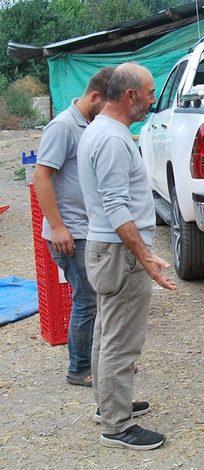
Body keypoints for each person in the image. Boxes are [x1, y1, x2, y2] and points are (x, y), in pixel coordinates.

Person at [77, 63, 177, 450]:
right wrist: (146, 258)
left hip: (106, 249)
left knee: (106, 332)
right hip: (118, 252)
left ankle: (109, 407)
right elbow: (117, 208)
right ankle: (117, 426)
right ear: (131, 94)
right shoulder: (114, 140)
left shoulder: (101, 130)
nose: (153, 100)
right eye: (150, 92)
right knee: (121, 340)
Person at [33, 67, 114, 387]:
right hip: (70, 233)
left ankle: (100, 362)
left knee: (97, 299)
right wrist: (58, 227)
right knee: (87, 299)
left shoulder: (90, 126)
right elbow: (41, 177)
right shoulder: (63, 127)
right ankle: (80, 367)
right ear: (95, 97)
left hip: (87, 229)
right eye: (106, 105)